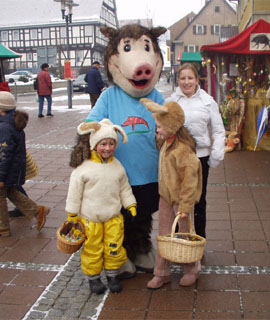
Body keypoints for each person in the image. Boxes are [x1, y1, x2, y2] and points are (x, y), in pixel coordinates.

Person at [65, 118, 137, 294]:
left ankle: (112, 275)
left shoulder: (117, 166)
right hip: (91, 219)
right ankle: (94, 278)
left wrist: (130, 204)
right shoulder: (83, 168)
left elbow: (124, 188)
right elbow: (74, 192)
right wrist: (72, 213)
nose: (107, 148)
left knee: (114, 246)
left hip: (113, 217)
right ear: (94, 144)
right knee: (92, 249)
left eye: (111, 144)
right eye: (103, 143)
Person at [140, 98, 203, 288]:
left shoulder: (183, 150)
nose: (157, 130)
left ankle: (192, 269)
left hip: (181, 201)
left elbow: (190, 181)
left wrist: (185, 206)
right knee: (164, 234)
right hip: (166, 197)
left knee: (185, 234)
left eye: (160, 126)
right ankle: (161, 272)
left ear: (172, 126)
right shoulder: (166, 142)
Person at [166, 63, 225, 238]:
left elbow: (219, 130)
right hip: (177, 158)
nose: (186, 82)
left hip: (200, 158)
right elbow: (162, 130)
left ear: (197, 80)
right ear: (178, 80)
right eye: (182, 78)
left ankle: (199, 239)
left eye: (190, 78)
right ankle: (177, 239)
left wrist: (216, 154)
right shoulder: (171, 102)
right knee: (176, 200)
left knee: (198, 201)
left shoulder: (208, 102)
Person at [0, 91, 50, 237]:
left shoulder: (4, 127)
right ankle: (37, 211)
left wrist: (1, 177)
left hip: (7, 169)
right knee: (11, 193)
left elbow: (5, 154)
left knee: (1, 196)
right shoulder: (12, 123)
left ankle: (3, 227)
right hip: (13, 168)